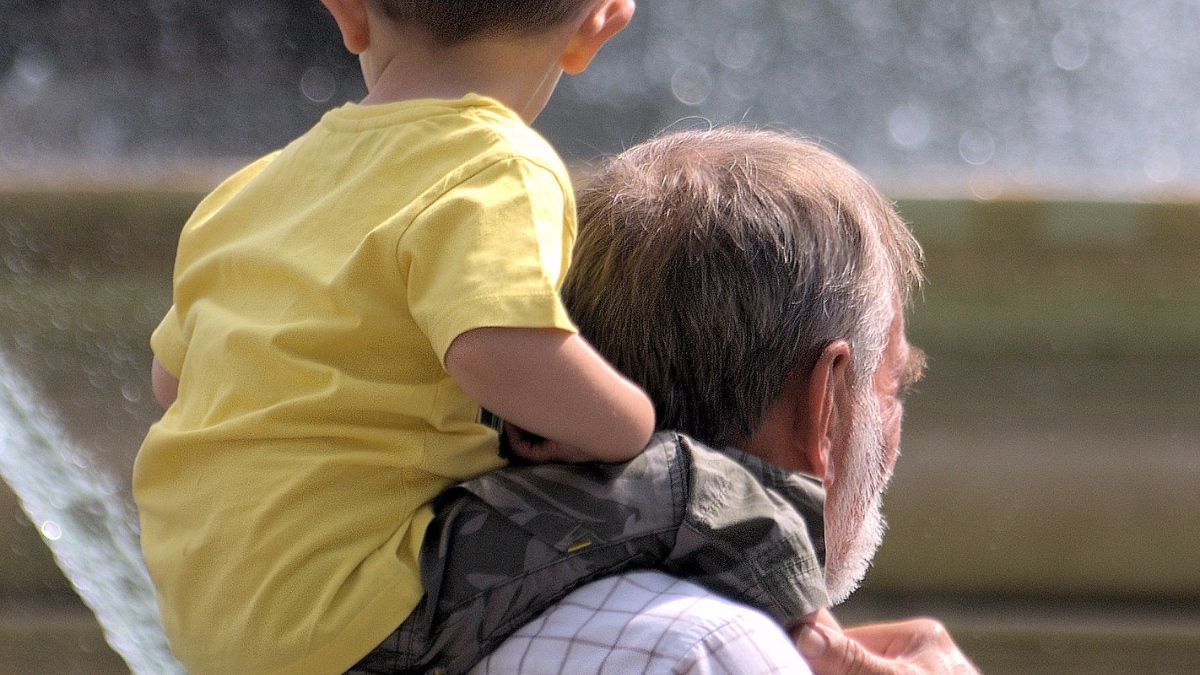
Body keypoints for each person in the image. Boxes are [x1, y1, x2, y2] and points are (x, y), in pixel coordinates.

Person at [133, 1, 657, 673]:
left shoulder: (249, 189)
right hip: (357, 607)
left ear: (348, 14)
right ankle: (795, 627)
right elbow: (494, 348)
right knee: (686, 489)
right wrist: (629, 426)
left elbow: (170, 380)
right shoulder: (498, 163)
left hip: (206, 617)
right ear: (599, 24)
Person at [465, 126, 981, 674]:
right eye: (894, 385)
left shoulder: (427, 595)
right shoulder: (715, 651)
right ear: (825, 411)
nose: (897, 420)